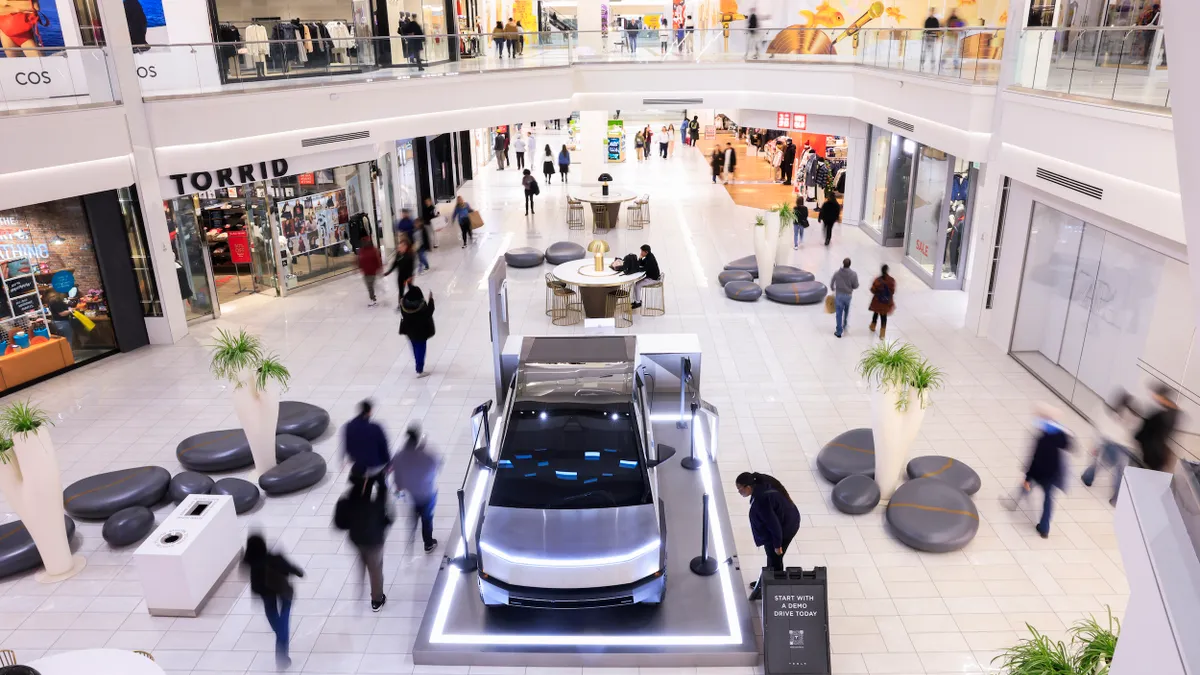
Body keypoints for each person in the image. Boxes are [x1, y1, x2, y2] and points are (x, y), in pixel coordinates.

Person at [735, 472, 800, 601]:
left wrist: (777, 545)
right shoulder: (760, 486)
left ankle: (776, 588)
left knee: (775, 558)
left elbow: (774, 525)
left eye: (740, 489)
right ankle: (767, 581)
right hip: (787, 520)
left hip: (785, 528)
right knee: (772, 557)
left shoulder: (761, 500)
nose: (739, 492)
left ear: (748, 487)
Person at [243, 533, 304, 667]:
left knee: (271, 610)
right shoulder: (274, 558)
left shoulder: (251, 563)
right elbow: (293, 569)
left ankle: (279, 634)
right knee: (285, 613)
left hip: (266, 593)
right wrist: (299, 572)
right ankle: (282, 649)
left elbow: (248, 579)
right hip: (282, 590)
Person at [334, 473, 392, 611]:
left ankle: (360, 586)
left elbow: (339, 524)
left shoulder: (344, 502)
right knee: (375, 569)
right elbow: (388, 519)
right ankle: (377, 600)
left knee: (362, 560)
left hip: (356, 540)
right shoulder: (374, 505)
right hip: (374, 541)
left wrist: (353, 523)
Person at [391, 422, 442, 553]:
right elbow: (437, 466)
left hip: (411, 495)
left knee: (414, 513)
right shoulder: (426, 456)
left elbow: (397, 479)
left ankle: (411, 535)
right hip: (426, 493)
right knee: (427, 518)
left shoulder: (399, 456)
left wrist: (400, 488)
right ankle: (428, 544)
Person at [1022, 406, 1072, 538]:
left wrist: (1027, 477)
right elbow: (1069, 445)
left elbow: (1034, 460)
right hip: (1053, 474)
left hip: (1040, 473)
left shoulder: (1042, 439)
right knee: (1048, 500)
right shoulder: (1061, 436)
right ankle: (1044, 528)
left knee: (1026, 485)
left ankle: (1014, 500)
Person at [1081, 391, 1137, 506]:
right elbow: (1132, 434)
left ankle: (1088, 477)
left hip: (1110, 443)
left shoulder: (1111, 411)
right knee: (1119, 473)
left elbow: (1102, 429)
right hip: (1124, 447)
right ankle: (1116, 498)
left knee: (1102, 463)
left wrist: (1096, 445)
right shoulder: (1133, 416)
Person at [341, 399, 392, 487]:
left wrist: (351, 458)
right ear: (369, 412)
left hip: (359, 465)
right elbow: (384, 447)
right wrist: (388, 463)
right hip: (375, 465)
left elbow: (347, 447)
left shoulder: (349, 427)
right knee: (380, 481)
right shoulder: (375, 428)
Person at [1134, 382, 1180, 473]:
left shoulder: (1158, 416)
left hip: (1151, 456)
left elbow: (1141, 435)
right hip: (1160, 456)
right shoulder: (1173, 414)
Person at [399, 285, 436, 377]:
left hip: (409, 331)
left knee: (415, 348)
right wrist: (431, 300)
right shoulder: (421, 305)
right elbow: (429, 313)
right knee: (421, 349)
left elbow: (403, 314)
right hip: (421, 331)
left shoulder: (403, 304)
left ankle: (418, 365)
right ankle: (419, 369)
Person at [830, 257, 859, 338]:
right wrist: (851, 287)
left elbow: (832, 282)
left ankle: (839, 331)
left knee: (839, 313)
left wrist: (833, 288)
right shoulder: (854, 274)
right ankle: (845, 324)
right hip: (848, 296)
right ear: (850, 265)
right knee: (846, 310)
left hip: (839, 295)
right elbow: (856, 285)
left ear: (843, 264)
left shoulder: (837, 273)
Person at [867, 264, 895, 339]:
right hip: (886, 302)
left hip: (878, 301)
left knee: (876, 313)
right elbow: (892, 291)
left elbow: (872, 290)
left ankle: (873, 326)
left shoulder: (877, 280)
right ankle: (882, 334)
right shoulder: (891, 280)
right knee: (884, 317)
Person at [385, 238, 415, 305]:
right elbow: (395, 264)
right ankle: (400, 305)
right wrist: (388, 272)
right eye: (399, 247)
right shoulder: (398, 254)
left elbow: (412, 268)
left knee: (410, 289)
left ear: (405, 246)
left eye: (401, 247)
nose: (399, 248)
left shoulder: (410, 255)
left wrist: (410, 277)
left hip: (408, 276)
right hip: (401, 276)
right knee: (401, 291)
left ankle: (413, 301)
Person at [631, 244, 660, 310]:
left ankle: (638, 302)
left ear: (646, 252)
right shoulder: (649, 256)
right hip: (650, 277)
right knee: (637, 284)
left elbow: (643, 269)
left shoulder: (650, 259)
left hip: (653, 279)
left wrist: (635, 269)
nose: (641, 253)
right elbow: (641, 264)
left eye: (642, 251)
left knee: (637, 285)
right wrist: (640, 258)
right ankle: (637, 301)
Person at [356, 236, 383, 306]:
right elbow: (359, 260)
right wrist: (359, 267)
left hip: (372, 272)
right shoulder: (362, 251)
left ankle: (373, 299)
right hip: (366, 272)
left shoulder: (373, 250)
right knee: (370, 286)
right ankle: (373, 298)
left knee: (370, 286)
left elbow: (377, 260)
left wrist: (379, 268)